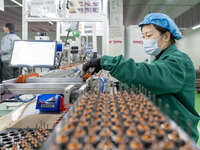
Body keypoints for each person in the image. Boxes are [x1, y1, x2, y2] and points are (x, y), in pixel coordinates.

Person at [83, 13, 200, 142]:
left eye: (149, 36)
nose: (145, 40)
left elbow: (152, 76)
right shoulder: (160, 59)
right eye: (143, 37)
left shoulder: (178, 60)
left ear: (166, 36)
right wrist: (120, 86)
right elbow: (149, 86)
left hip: (178, 135)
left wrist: (107, 62)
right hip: (164, 129)